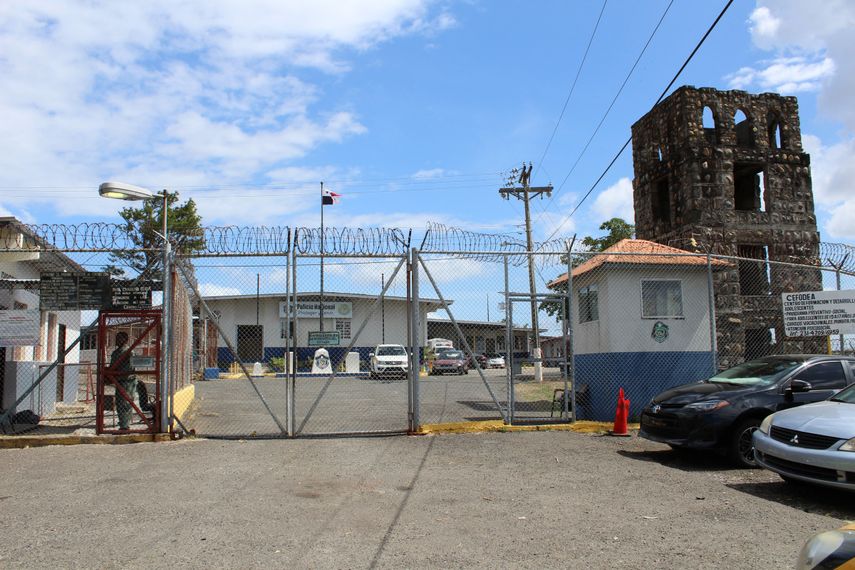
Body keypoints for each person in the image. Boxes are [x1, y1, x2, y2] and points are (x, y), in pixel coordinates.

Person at [109, 332, 136, 430]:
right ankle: (123, 422)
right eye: (117, 338)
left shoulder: (129, 352)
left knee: (126, 403)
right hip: (119, 381)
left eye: (119, 338)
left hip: (127, 381)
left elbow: (130, 367)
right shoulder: (116, 352)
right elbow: (112, 366)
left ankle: (125, 425)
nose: (117, 340)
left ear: (125, 340)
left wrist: (117, 373)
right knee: (120, 402)